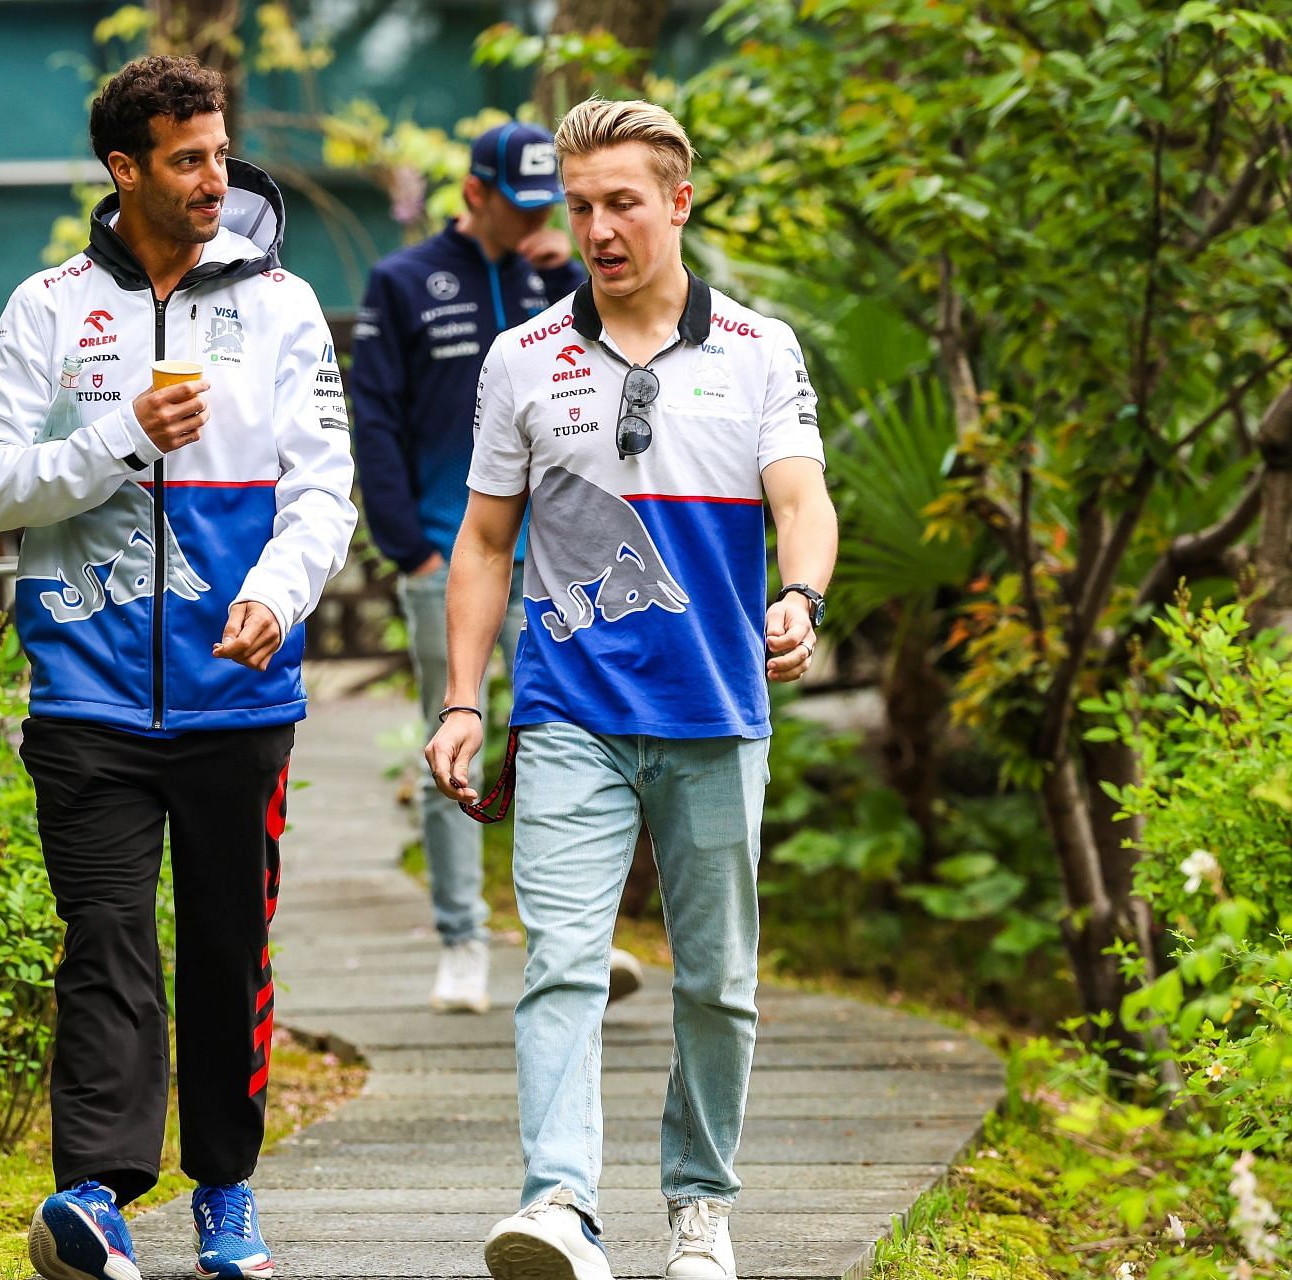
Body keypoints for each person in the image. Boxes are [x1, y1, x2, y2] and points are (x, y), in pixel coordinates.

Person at [0, 55, 355, 1280]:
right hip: (85, 691)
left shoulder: (284, 306)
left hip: (242, 689)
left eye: (221, 154)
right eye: (187, 160)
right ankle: (94, 1192)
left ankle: (226, 1195)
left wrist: (275, 595)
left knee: (231, 949)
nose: (215, 179)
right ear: (124, 169)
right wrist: (120, 438)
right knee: (109, 942)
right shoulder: (48, 306)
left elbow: (324, 492)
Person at [423, 98, 839, 1280]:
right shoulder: (522, 358)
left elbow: (802, 501)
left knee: (718, 979)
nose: (599, 228)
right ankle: (558, 1201)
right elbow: (485, 542)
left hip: (717, 711)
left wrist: (799, 598)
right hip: (569, 712)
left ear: (678, 203)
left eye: (624, 203)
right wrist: (463, 701)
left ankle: (700, 1204)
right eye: (583, 205)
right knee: (560, 956)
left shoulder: (760, 350)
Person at [351, 122, 642, 1014]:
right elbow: (373, 418)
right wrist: (410, 546)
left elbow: (615, 380)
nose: (536, 223)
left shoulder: (560, 276)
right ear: (473, 195)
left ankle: (573, 940)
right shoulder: (403, 282)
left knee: (575, 742)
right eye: (519, 209)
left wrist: (562, 276)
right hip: (451, 554)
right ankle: (463, 940)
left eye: (545, 207)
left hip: (563, 568)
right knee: (458, 743)